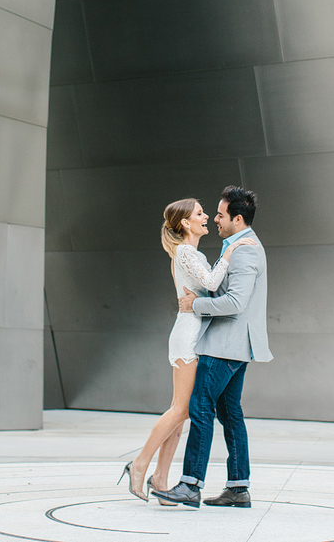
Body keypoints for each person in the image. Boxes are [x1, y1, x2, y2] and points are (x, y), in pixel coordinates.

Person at [121, 198, 254, 501]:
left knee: (182, 412)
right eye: (199, 213)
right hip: (189, 336)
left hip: (195, 334)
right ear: (185, 223)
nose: (207, 216)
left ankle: (162, 477)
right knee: (181, 409)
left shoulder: (191, 253)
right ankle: (139, 465)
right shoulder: (184, 252)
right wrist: (230, 252)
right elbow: (210, 280)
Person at [153, 186, 272, 508]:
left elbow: (234, 302)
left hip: (224, 345)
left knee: (200, 408)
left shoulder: (244, 250)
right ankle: (238, 487)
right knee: (230, 414)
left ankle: (190, 484)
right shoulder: (238, 246)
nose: (215, 220)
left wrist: (197, 305)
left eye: (220, 215)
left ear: (237, 218)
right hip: (234, 346)